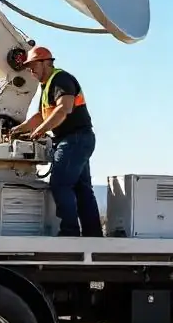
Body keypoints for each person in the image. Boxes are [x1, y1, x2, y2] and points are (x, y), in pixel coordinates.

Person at [6, 46, 104, 238]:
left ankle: (69, 232)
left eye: (33, 66)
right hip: (79, 139)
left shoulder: (60, 79)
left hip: (74, 139)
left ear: (45, 63)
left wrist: (40, 131)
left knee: (60, 185)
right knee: (82, 188)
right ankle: (93, 235)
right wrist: (18, 129)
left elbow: (63, 109)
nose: (31, 71)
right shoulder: (48, 86)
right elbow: (41, 115)